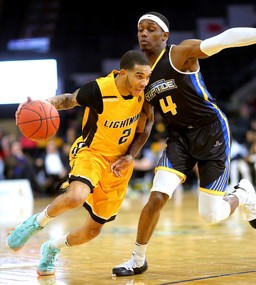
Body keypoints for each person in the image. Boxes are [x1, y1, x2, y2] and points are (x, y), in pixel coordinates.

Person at [112, 11, 256, 276]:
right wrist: (132, 154)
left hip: (211, 130)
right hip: (178, 138)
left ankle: (243, 194)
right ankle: (137, 259)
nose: (144, 34)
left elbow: (224, 39)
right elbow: (147, 121)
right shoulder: (142, 77)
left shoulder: (180, 54)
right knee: (157, 195)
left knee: (211, 216)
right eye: (140, 30)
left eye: (150, 29)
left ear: (165, 35)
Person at [6, 50, 153, 276]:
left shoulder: (144, 93)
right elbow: (67, 100)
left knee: (92, 231)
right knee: (76, 196)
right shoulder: (99, 89)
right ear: (123, 73)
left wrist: (132, 155)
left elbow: (148, 124)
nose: (144, 82)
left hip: (119, 166)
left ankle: (51, 248)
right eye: (139, 76)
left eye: (147, 77)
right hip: (92, 154)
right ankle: (34, 224)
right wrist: (36, 106)